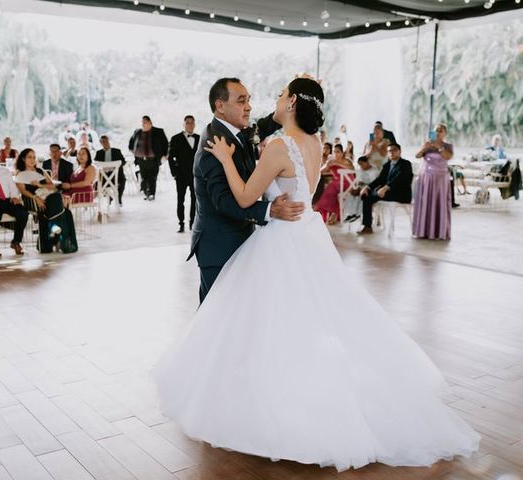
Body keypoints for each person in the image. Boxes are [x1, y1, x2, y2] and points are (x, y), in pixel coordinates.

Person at [154, 77, 480, 471]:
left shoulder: (277, 146)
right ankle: (304, 393)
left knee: (269, 323)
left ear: (291, 102)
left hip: (279, 240)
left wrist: (227, 161)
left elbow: (243, 197)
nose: (266, 102)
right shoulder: (314, 143)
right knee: (310, 320)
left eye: (277, 96)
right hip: (307, 236)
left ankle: (274, 403)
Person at [185, 77, 305, 303]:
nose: (248, 106)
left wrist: (292, 100)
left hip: (243, 240)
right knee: (215, 317)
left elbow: (264, 126)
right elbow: (223, 202)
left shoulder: (238, 131)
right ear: (220, 106)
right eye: (241, 101)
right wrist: (270, 211)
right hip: (219, 246)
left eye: (248, 100)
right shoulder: (214, 145)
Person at [14, 148, 77, 254]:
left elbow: (53, 186)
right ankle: (63, 242)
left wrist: (40, 185)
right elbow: (23, 191)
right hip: (32, 200)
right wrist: (36, 198)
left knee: (63, 207)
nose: (32, 160)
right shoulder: (20, 173)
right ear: (23, 159)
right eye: (29, 157)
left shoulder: (41, 171)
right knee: (63, 209)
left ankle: (48, 242)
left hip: (49, 198)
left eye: (34, 157)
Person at [358, 143, 413, 234]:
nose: (392, 152)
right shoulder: (387, 165)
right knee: (366, 195)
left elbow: (399, 178)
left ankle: (370, 223)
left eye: (394, 150)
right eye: (389, 151)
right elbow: (380, 179)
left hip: (401, 194)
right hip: (388, 193)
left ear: (399, 151)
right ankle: (367, 226)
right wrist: (367, 187)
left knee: (372, 195)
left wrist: (386, 187)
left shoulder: (406, 164)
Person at [412, 124, 453, 240]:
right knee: (425, 203)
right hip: (426, 177)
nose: (438, 133)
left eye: (441, 131)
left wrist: (438, 146)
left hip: (440, 179)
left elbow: (448, 157)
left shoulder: (447, 145)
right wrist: (425, 148)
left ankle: (439, 231)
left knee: (439, 203)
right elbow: (417, 155)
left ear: (445, 133)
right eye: (436, 131)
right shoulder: (427, 144)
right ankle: (422, 231)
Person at [168, 115, 199, 232]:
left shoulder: (199, 138)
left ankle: (192, 223)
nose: (190, 125)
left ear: (194, 124)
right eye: (187, 123)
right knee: (180, 200)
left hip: (195, 175)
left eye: (192, 123)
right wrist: (174, 173)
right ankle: (181, 223)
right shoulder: (175, 138)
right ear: (184, 124)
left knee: (195, 199)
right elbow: (170, 158)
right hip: (180, 175)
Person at [128, 115, 168, 200]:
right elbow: (131, 143)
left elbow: (165, 143)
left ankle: (151, 194)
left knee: (152, 177)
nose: (143, 124)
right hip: (141, 159)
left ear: (150, 123)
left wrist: (164, 155)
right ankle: (146, 193)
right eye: (142, 122)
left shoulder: (158, 131)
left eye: (145, 122)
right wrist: (133, 151)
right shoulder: (137, 132)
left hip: (153, 159)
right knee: (144, 177)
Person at [314, 143, 355, 224]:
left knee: (331, 186)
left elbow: (352, 169)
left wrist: (338, 163)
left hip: (348, 182)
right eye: (334, 152)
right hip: (337, 183)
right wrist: (327, 165)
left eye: (338, 152)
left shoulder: (347, 160)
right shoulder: (331, 161)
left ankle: (323, 207)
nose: (336, 154)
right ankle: (333, 214)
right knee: (329, 188)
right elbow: (321, 171)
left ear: (342, 153)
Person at [343, 156, 379, 223]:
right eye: (359, 164)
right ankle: (351, 214)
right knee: (351, 195)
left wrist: (363, 185)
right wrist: (357, 186)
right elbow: (358, 181)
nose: (360, 165)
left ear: (367, 162)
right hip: (361, 187)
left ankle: (357, 214)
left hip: (371, 189)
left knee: (361, 195)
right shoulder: (359, 170)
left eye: (362, 163)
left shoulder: (374, 170)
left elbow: (373, 182)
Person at [95, 135, 126, 206]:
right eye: (103, 142)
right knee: (97, 184)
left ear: (109, 141)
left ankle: (119, 199)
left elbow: (123, 162)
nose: (105, 143)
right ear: (100, 143)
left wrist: (117, 166)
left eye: (106, 141)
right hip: (103, 175)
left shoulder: (117, 151)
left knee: (123, 180)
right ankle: (109, 197)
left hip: (116, 174)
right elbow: (96, 164)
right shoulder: (98, 153)